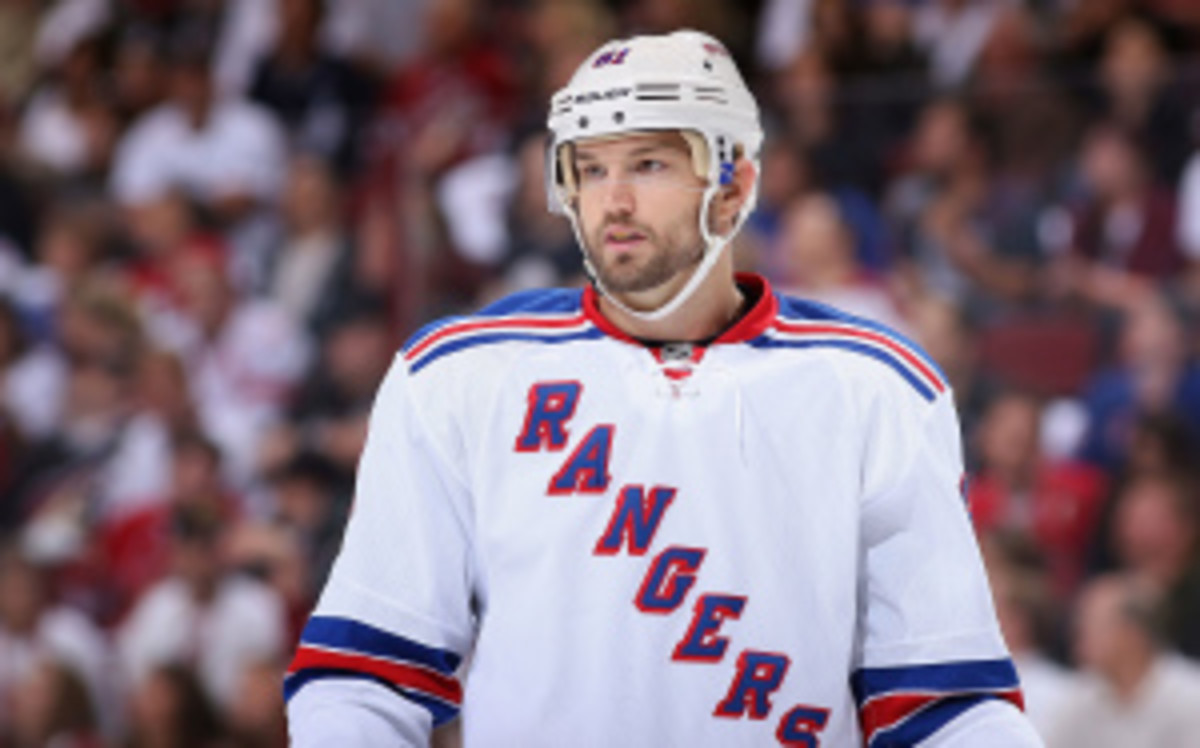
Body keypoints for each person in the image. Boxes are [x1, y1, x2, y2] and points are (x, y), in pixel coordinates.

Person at [285, 29, 1041, 746]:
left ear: (734, 183)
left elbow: (946, 702)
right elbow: (364, 675)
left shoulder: (877, 388)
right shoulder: (456, 376)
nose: (612, 201)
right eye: (590, 168)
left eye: (646, 165)